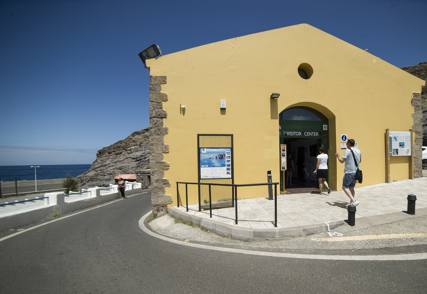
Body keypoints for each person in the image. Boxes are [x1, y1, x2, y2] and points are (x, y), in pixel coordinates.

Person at [336, 139, 361, 206]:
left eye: (347, 143)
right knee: (351, 188)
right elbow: (360, 160)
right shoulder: (358, 150)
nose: (346, 145)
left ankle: (353, 201)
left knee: (344, 187)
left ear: (349, 144)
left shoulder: (348, 150)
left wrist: (338, 157)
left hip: (349, 172)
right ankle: (351, 203)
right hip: (355, 172)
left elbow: (341, 161)